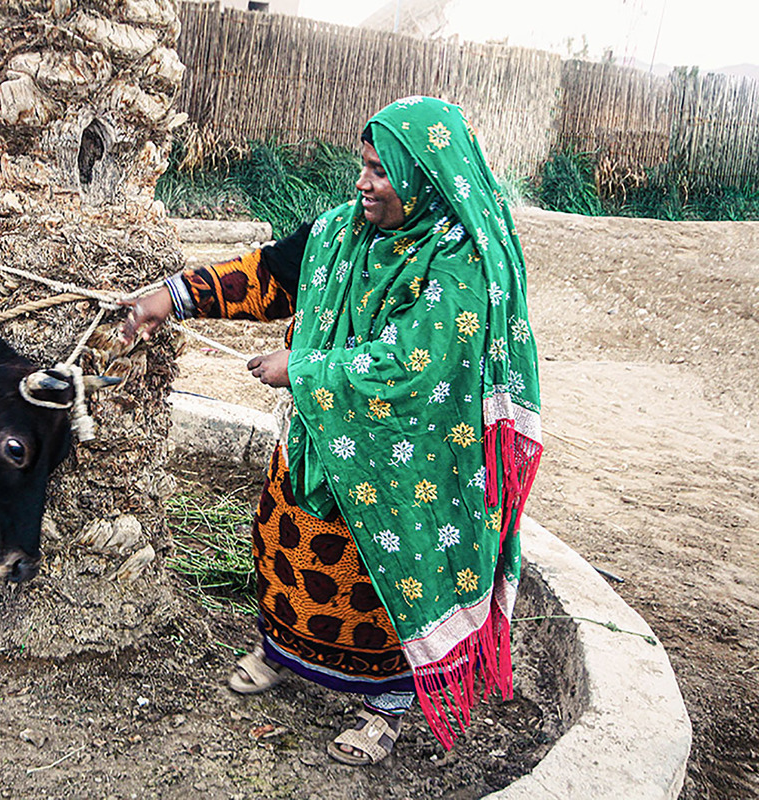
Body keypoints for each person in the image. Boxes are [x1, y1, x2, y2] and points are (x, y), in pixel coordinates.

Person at [120, 96, 543, 765]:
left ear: (426, 179)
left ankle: (387, 706)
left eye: (380, 171)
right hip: (323, 441)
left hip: (409, 465)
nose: (362, 182)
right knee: (289, 542)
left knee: (383, 577)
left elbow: (412, 368)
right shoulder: (339, 234)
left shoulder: (458, 263)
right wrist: (167, 299)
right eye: (363, 165)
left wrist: (305, 366)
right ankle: (280, 650)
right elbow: (264, 274)